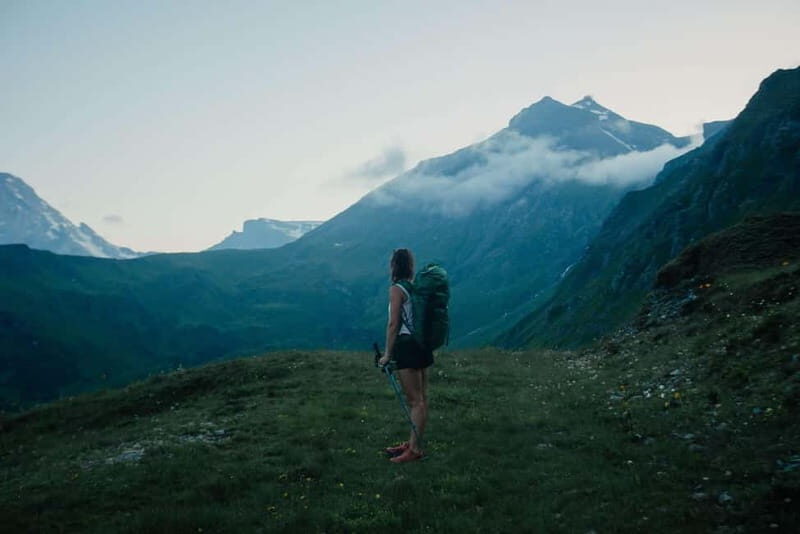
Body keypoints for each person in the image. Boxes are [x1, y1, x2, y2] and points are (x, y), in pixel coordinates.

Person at [378, 248, 433, 463]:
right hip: (422, 345)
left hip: (407, 346)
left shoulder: (396, 289)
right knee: (421, 399)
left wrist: (387, 354)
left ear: (394, 265)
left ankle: (415, 450)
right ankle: (413, 443)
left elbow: (394, 324)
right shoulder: (414, 287)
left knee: (415, 401)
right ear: (410, 265)